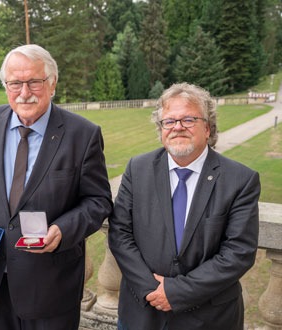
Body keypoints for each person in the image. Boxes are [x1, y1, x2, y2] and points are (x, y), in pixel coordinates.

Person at [0, 44, 113, 329]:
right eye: (15, 83)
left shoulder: (83, 134)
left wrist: (64, 229)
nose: (24, 92)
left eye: (34, 82)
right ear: (6, 85)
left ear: (52, 83)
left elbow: (98, 200)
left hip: (51, 286)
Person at [109, 82, 260, 330]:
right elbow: (120, 234)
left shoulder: (240, 180)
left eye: (189, 119)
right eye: (169, 121)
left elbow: (238, 252)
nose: (177, 127)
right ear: (161, 130)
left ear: (208, 128)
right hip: (142, 312)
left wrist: (176, 292)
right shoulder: (137, 169)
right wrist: (150, 289)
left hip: (209, 317)